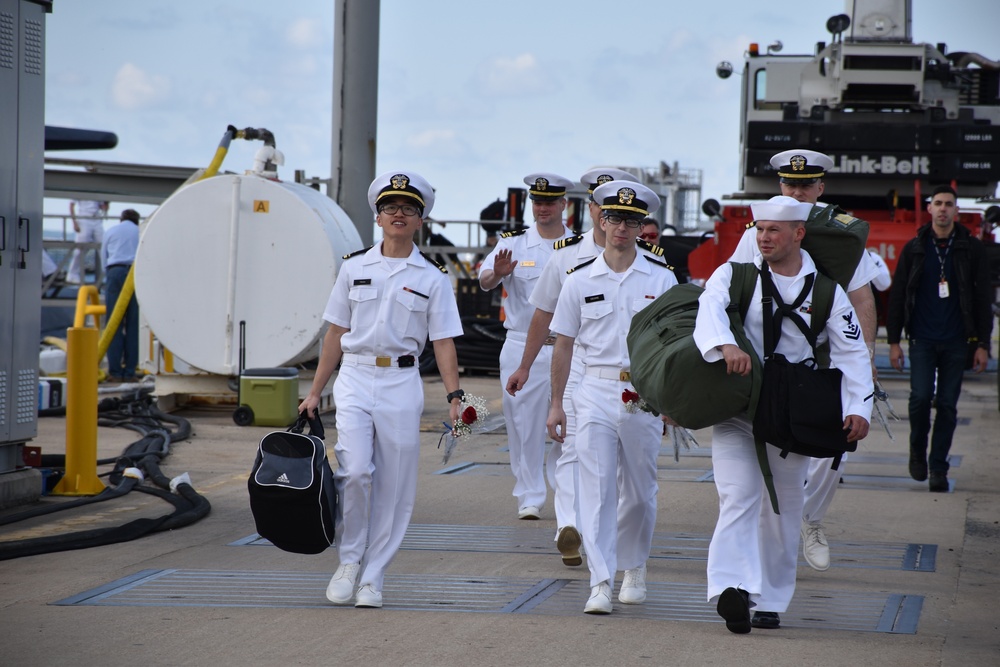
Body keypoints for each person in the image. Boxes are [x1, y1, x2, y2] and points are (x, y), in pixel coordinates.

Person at [695, 195, 872, 633]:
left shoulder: (828, 291)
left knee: (783, 508)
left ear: (799, 233)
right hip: (740, 405)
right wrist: (726, 345)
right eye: (759, 229)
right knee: (738, 495)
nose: (764, 237)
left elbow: (852, 353)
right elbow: (709, 307)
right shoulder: (733, 275)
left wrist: (858, 408)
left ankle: (771, 599)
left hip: (794, 412)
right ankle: (732, 589)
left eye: (774, 230)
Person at [299, 170, 464, 609]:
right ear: (378, 216)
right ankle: (349, 560)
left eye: (408, 209)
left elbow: (444, 341)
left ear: (420, 220)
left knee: (394, 486)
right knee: (354, 473)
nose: (398, 214)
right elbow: (335, 332)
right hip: (354, 377)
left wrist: (455, 398)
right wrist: (316, 391)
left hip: (401, 382)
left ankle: (374, 576)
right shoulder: (354, 267)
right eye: (390, 206)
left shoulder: (432, 278)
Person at [730, 149, 879, 573]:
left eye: (805, 185)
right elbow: (731, 290)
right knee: (769, 449)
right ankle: (774, 535)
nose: (797, 191)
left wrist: (864, 360)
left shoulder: (841, 233)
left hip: (825, 357)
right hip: (768, 361)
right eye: (790, 184)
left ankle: (810, 520)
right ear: (780, 186)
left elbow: (862, 297)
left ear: (820, 188)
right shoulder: (757, 232)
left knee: (836, 450)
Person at [547, 180, 678, 615]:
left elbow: (676, 342)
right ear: (600, 220)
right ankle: (600, 580)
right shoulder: (579, 280)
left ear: (642, 227)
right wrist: (555, 404)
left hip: (642, 391)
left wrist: (672, 400)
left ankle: (634, 566)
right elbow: (563, 345)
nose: (621, 226)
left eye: (631, 220)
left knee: (639, 490)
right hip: (594, 390)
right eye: (614, 217)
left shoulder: (661, 278)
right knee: (597, 488)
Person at [506, 167, 647, 567]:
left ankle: (609, 533)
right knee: (569, 446)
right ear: (593, 210)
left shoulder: (649, 262)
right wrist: (524, 366)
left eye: (620, 212)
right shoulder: (564, 255)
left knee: (617, 461)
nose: (611, 218)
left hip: (622, 368)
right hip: (573, 363)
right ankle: (569, 526)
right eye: (602, 207)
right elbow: (541, 315)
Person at [479, 173, 575, 521]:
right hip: (522, 346)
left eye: (550, 201)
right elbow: (484, 279)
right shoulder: (515, 244)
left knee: (570, 421)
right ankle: (530, 495)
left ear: (564, 204)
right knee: (523, 423)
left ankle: (563, 488)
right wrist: (499, 273)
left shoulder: (579, 245)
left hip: (569, 346)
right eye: (537, 201)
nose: (543, 208)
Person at [887, 185, 993, 492]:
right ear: (930, 209)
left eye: (949, 204)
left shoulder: (971, 249)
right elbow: (898, 296)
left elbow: (982, 297)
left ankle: (938, 468)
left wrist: (983, 345)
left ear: (956, 210)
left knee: (947, 405)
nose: (943, 209)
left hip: (957, 340)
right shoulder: (916, 247)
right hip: (921, 337)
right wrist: (894, 341)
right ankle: (917, 452)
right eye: (938, 203)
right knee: (920, 398)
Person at [101, 209, 142, 382]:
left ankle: (115, 373)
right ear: (137, 220)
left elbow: (103, 256)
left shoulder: (111, 231)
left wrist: (109, 274)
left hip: (115, 271)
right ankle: (130, 371)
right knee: (134, 324)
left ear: (121, 219)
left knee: (114, 323)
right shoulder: (141, 231)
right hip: (135, 273)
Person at [67, 199, 109, 284]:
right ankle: (72, 274)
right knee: (80, 248)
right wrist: (74, 222)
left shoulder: (99, 190)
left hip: (97, 219)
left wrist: (106, 204)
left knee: (103, 247)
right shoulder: (79, 187)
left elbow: (102, 207)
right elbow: (71, 205)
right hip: (84, 218)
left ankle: (106, 274)